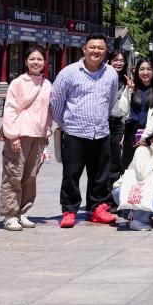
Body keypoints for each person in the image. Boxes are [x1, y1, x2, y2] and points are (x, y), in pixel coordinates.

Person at [51, 34, 119, 228]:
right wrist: (64, 122)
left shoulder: (111, 73)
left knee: (100, 175)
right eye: (92, 47)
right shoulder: (69, 73)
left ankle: (98, 208)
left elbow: (110, 100)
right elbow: (56, 101)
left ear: (105, 51)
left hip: (101, 132)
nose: (96, 51)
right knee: (71, 175)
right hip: (75, 133)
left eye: (100, 48)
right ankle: (69, 211)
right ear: (84, 49)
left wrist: (100, 119)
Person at [0, 46, 53, 231]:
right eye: (32, 59)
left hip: (38, 136)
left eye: (39, 59)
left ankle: (23, 212)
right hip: (19, 135)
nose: (36, 62)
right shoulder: (18, 83)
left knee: (30, 176)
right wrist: (13, 135)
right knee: (13, 175)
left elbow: (48, 110)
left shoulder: (47, 84)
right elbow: (10, 109)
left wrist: (47, 130)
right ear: (26, 62)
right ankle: (9, 214)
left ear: (44, 62)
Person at [111, 124, 153, 231]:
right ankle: (138, 221)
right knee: (146, 194)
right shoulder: (142, 150)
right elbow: (142, 176)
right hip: (123, 190)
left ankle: (130, 212)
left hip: (144, 193)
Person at [114, 58, 153, 170]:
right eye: (142, 69)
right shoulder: (132, 86)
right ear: (137, 71)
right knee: (128, 169)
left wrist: (145, 136)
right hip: (131, 134)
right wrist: (129, 90)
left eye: (149, 69)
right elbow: (123, 109)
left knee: (146, 169)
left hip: (150, 135)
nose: (145, 72)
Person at [106, 50, 129, 194]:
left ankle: (112, 194)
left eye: (121, 60)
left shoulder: (127, 80)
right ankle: (100, 195)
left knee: (116, 159)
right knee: (102, 159)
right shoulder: (103, 77)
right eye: (115, 60)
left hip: (118, 123)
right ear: (109, 61)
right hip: (103, 123)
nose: (118, 63)